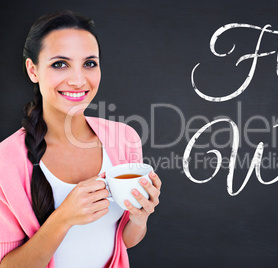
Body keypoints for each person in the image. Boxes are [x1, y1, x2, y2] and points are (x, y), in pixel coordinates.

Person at [0, 9, 161, 268]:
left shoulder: (124, 139)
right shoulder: (6, 161)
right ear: (33, 70)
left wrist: (140, 218)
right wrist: (63, 218)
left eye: (89, 63)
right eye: (60, 64)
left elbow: (123, 241)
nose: (78, 80)